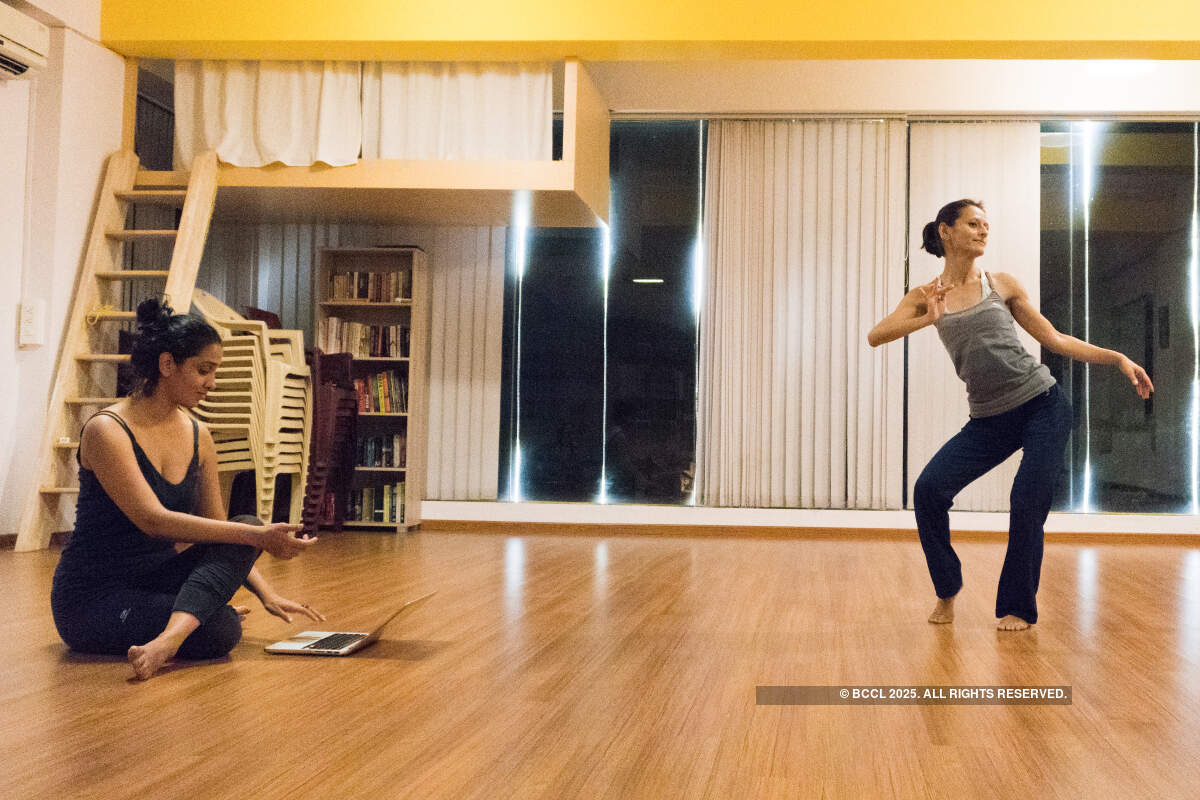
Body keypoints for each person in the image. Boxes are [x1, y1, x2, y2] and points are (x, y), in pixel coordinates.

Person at [867, 199, 1153, 631]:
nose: (983, 231)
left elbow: (1055, 339)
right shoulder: (926, 297)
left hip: (1042, 405)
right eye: (972, 224)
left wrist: (1117, 359)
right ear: (946, 231)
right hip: (988, 419)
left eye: (986, 225)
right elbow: (877, 335)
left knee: (1026, 500)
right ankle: (947, 590)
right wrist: (927, 319)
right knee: (928, 490)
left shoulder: (1001, 284)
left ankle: (1017, 606)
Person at [51, 297, 324, 680]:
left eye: (215, 371)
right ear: (167, 365)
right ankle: (177, 633)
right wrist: (258, 536)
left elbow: (218, 529)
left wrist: (267, 592)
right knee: (220, 626)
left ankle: (170, 636)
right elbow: (153, 521)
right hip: (93, 598)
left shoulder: (199, 434)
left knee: (241, 526)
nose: (212, 383)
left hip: (157, 577)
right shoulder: (106, 430)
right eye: (203, 370)